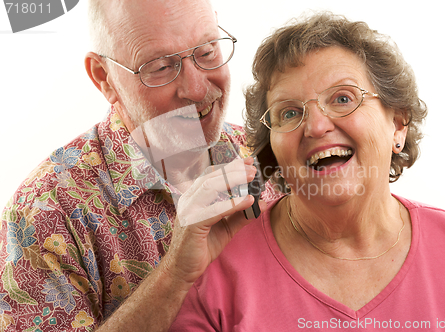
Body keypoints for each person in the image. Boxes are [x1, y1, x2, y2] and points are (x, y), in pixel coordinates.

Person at [170, 12, 445, 331]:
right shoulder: (214, 277)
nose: (315, 126)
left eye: (343, 98)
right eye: (289, 113)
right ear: (272, 149)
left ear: (398, 126)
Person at [0, 0, 271, 331]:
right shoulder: (43, 213)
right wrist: (174, 276)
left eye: (207, 50)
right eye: (160, 67)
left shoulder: (268, 154)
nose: (197, 89)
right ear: (105, 78)